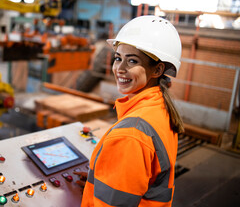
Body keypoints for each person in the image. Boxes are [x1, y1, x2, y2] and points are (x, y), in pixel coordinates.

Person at [74, 15, 184, 207]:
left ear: (157, 70)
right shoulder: (160, 109)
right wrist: (97, 182)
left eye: (132, 61)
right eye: (118, 58)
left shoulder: (131, 134)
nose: (120, 68)